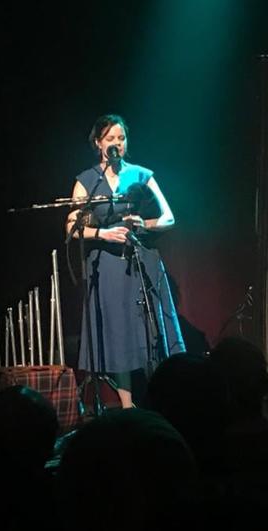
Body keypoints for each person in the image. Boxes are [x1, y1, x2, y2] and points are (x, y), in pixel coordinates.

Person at [65, 114, 185, 408]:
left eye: (121, 138)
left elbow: (169, 217)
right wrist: (104, 233)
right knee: (118, 333)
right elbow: (72, 226)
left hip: (141, 260)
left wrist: (144, 224)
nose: (117, 143)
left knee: (150, 328)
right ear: (98, 144)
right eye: (110, 139)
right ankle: (127, 405)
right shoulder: (87, 181)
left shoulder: (141, 174)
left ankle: (162, 399)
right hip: (107, 264)